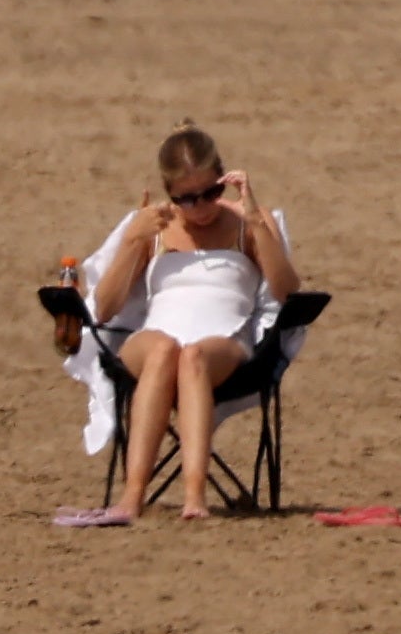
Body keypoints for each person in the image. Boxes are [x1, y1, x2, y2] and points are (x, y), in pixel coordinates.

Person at [80, 126, 298, 520]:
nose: (200, 207)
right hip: (154, 339)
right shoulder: (154, 227)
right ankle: (131, 497)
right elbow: (105, 309)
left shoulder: (249, 222)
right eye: (187, 198)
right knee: (166, 349)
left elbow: (286, 292)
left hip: (223, 342)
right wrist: (134, 239)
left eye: (211, 193)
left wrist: (256, 223)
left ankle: (194, 496)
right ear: (169, 191)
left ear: (225, 180)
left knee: (192, 356)